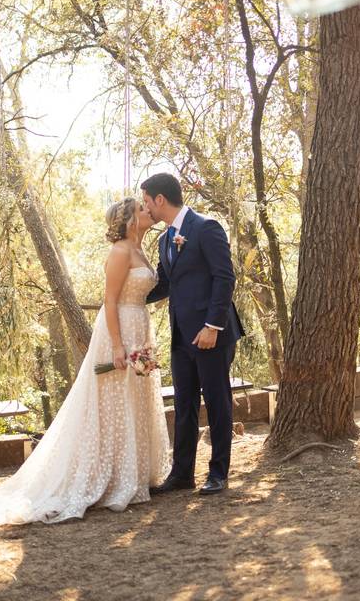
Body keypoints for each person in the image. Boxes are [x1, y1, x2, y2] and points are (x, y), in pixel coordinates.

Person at [0, 198, 170, 531]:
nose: (148, 211)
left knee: (136, 398)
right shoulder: (119, 252)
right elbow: (110, 301)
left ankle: (133, 472)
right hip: (119, 332)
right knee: (114, 401)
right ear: (129, 219)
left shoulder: (141, 250)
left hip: (140, 327)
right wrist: (117, 345)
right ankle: (111, 479)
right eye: (141, 209)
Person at [142, 173, 244, 496]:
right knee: (184, 404)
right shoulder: (163, 241)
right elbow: (166, 284)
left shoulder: (206, 228)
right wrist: (129, 296)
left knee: (217, 403)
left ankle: (218, 474)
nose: (146, 208)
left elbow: (225, 277)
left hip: (211, 333)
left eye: (147, 201)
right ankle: (182, 474)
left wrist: (213, 326)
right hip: (181, 336)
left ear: (160, 200)